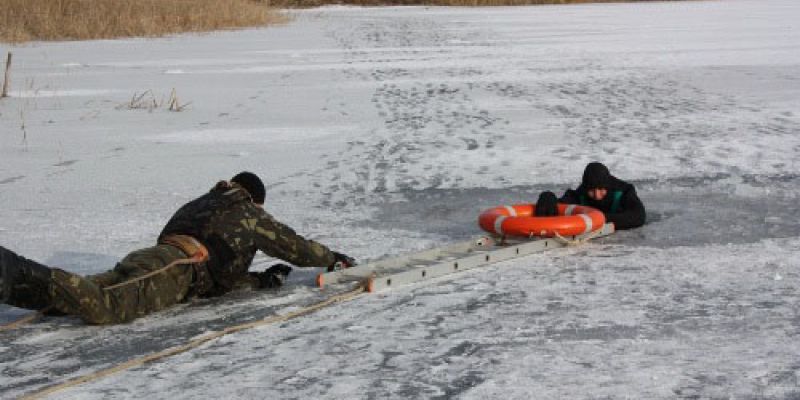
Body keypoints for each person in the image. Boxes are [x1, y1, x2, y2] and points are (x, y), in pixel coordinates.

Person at [0, 172, 354, 325]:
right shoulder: (245, 211)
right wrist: (331, 258)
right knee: (109, 308)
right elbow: (292, 245)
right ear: (254, 200)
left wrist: (260, 280)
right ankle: (12, 269)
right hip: (175, 267)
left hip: (158, 260)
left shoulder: (204, 203)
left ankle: (12, 283)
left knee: (83, 295)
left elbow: (216, 275)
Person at [535, 162, 646, 230]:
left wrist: (599, 219)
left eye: (601, 189)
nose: (597, 196)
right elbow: (560, 205)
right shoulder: (580, 193)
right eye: (592, 191)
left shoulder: (624, 191)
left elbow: (638, 215)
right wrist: (547, 196)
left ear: (607, 186)